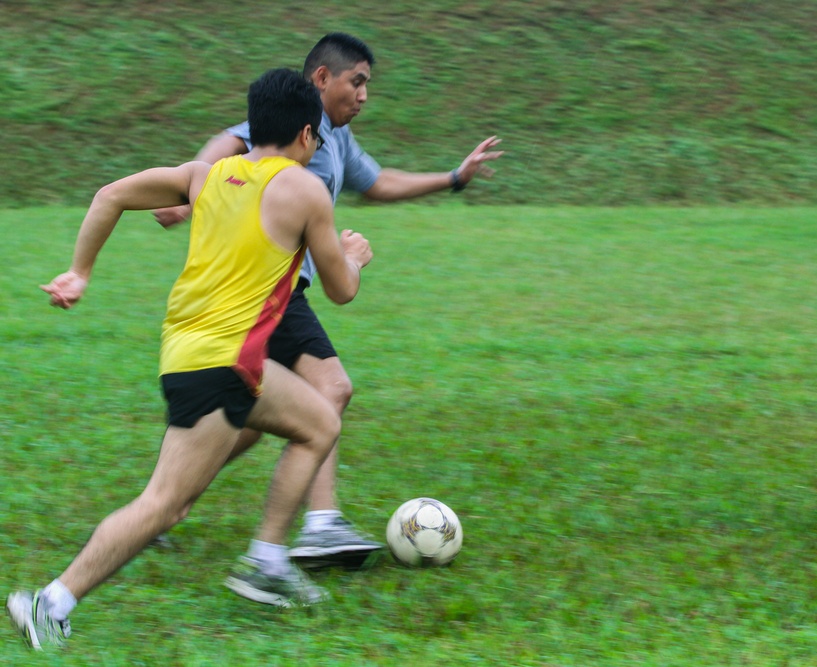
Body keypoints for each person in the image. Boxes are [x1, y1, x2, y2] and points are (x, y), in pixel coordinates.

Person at [7, 68, 373, 651]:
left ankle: (269, 559)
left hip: (192, 352)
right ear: (308, 135)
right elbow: (341, 290)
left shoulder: (207, 175)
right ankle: (50, 602)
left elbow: (112, 195)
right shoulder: (302, 188)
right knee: (166, 504)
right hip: (222, 363)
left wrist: (81, 271)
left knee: (320, 420)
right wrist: (354, 254)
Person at [153, 31, 504, 570]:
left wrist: (454, 178)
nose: (363, 95)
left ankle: (169, 498)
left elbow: (379, 182)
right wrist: (183, 195)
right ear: (322, 79)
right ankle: (318, 524)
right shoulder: (293, 122)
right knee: (331, 389)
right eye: (356, 82)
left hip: (279, 292)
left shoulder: (334, 138)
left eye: (367, 85)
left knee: (247, 410)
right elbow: (229, 142)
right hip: (271, 288)